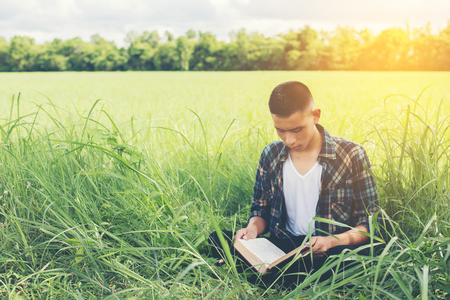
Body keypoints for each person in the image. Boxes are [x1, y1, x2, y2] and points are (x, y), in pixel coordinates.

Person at [209, 81, 380, 288]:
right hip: (285, 246)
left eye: (298, 130)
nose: (290, 140)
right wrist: (252, 229)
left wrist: (333, 241)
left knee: (356, 259)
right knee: (218, 238)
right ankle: (285, 274)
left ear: (315, 115)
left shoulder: (352, 154)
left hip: (329, 248)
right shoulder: (271, 154)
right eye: (280, 131)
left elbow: (369, 226)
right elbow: (260, 209)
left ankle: (266, 275)